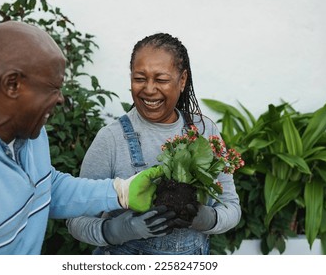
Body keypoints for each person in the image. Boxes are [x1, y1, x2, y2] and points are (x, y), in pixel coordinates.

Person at [0, 22, 177, 255]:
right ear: (12, 84)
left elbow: (45, 187)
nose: (60, 100)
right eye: (52, 88)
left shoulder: (26, 128)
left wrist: (120, 192)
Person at [67, 33, 242, 255]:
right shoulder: (111, 139)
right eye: (140, 78)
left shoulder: (204, 131)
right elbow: (76, 219)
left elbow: (231, 207)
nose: (149, 89)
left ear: (182, 80)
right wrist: (116, 230)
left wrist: (207, 218)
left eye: (161, 80)